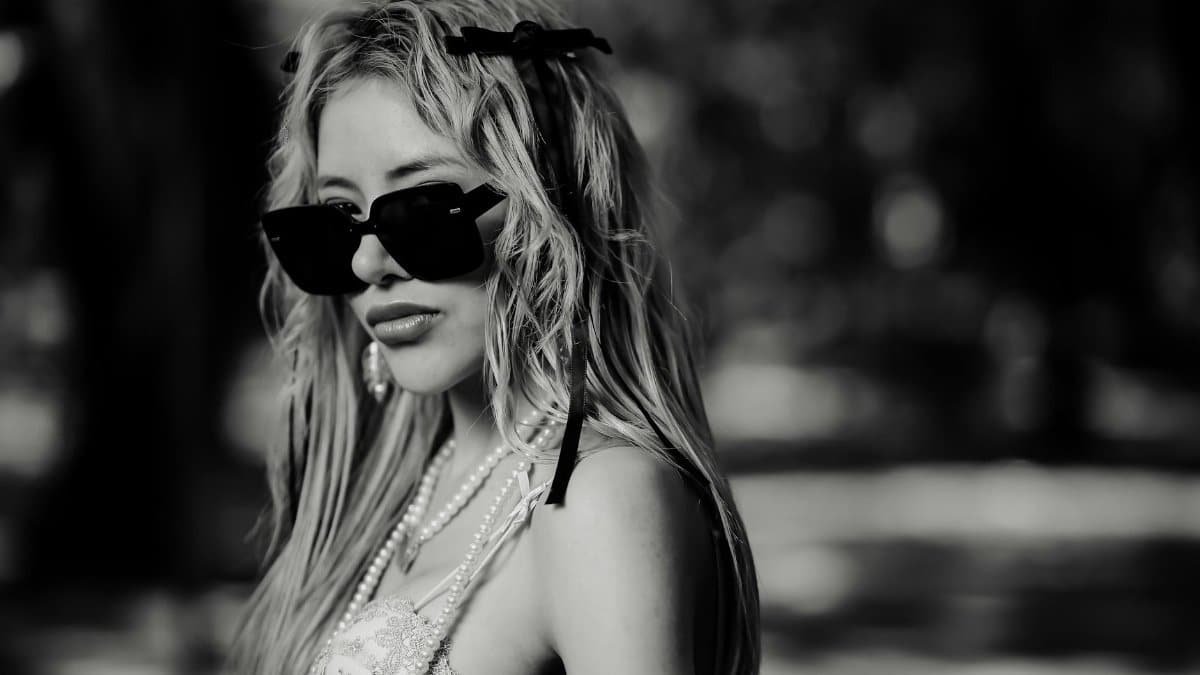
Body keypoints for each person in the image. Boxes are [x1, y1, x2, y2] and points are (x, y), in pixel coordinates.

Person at [228, 1, 760, 673]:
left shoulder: (595, 497)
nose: (368, 264)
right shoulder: (398, 494)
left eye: (421, 209)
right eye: (337, 219)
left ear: (549, 209)